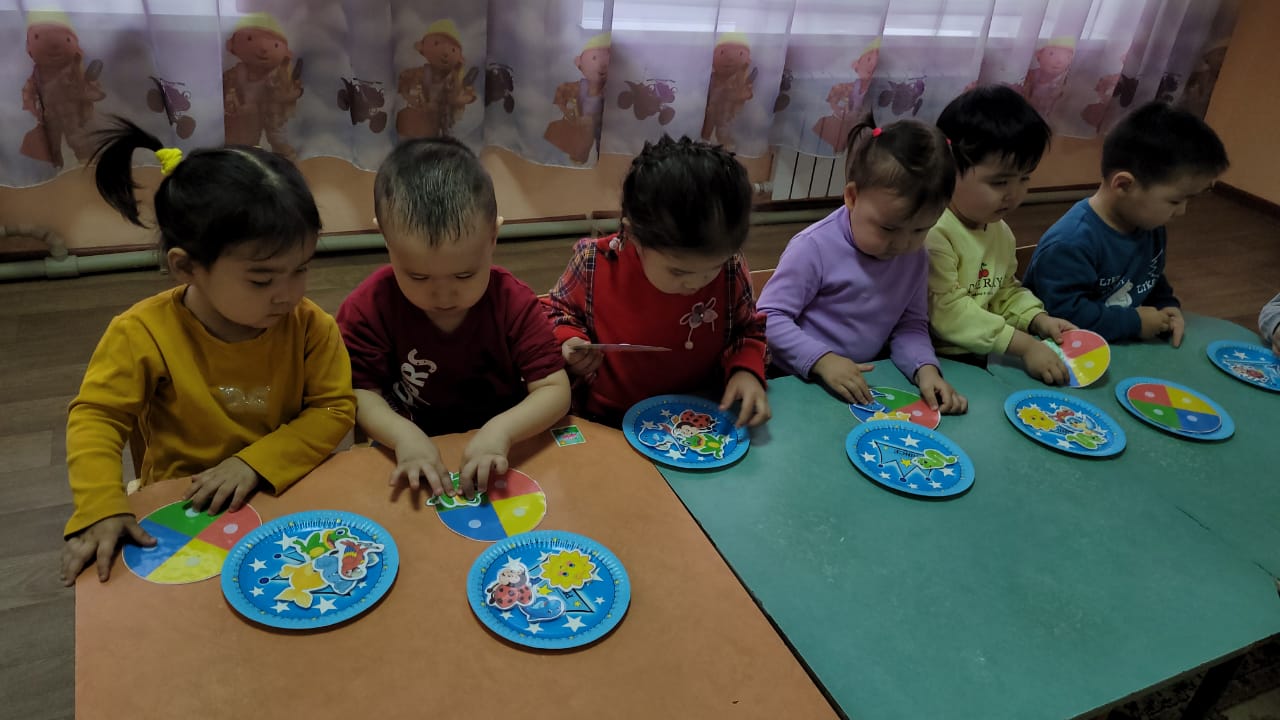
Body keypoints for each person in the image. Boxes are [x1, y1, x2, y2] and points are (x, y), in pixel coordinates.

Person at [62, 118, 355, 585]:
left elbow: (334, 408)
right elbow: (97, 417)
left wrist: (254, 463)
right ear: (186, 267)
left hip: (279, 490)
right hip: (181, 509)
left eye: (301, 269)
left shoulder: (311, 327)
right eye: (262, 280)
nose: (288, 294)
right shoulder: (141, 332)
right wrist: (101, 506)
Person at [337, 137, 570, 500]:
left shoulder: (512, 301)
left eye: (464, 275)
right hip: (409, 448)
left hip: (497, 449)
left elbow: (554, 390)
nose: (443, 296)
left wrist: (502, 432)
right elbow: (360, 392)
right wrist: (403, 436)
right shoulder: (369, 307)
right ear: (385, 239)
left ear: (493, 236)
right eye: (418, 276)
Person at [544, 135, 770, 427]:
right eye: (679, 272)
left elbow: (747, 330)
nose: (696, 284)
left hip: (698, 418)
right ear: (633, 236)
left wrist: (746, 370)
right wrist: (570, 341)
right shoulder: (594, 263)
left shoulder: (730, 268)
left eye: (712, 267)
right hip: (609, 418)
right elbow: (555, 312)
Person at [758, 116, 967, 413]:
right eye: (889, 228)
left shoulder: (916, 256)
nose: (903, 244)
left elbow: (910, 325)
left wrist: (926, 369)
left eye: (921, 230)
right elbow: (769, 318)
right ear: (852, 197)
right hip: (793, 378)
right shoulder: (814, 247)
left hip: (859, 385)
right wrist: (823, 360)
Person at [1023, 102, 1229, 346]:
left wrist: (1165, 304)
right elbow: (1065, 313)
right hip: (1062, 351)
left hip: (1117, 346)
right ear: (1123, 185)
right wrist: (1134, 323)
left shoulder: (1149, 225)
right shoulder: (1070, 242)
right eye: (1175, 200)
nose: (1182, 211)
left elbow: (1149, 276)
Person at [927, 84, 1076, 384]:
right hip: (931, 358)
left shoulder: (1000, 231)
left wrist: (1036, 318)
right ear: (948, 168)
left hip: (982, 350)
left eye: (1024, 178)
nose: (1014, 194)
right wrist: (1025, 346)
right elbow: (947, 313)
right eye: (999, 182)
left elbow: (1003, 290)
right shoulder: (933, 232)